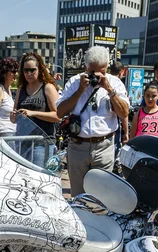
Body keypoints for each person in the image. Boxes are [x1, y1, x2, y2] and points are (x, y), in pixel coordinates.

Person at [56, 46, 129, 197]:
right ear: (85, 67)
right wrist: (79, 91)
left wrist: (110, 90)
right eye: (92, 72)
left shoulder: (115, 83)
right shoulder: (75, 82)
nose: (96, 76)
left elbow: (124, 113)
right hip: (77, 146)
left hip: (104, 146)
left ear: (107, 68)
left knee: (102, 196)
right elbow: (60, 112)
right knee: (78, 195)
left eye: (101, 72)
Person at [10, 52, 60, 168]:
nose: (29, 73)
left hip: (42, 143)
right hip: (22, 142)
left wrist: (33, 113)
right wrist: (13, 117)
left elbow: (58, 116)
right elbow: (14, 117)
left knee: (38, 178)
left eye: (32, 70)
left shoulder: (47, 88)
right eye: (25, 70)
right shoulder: (21, 89)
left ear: (40, 69)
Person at [0, 57, 19, 137]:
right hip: (3, 134)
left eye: (16, 71)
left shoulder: (7, 89)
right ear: (4, 73)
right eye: (13, 71)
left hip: (12, 133)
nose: (16, 74)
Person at [109, 60, 129, 151]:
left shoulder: (104, 80)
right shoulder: (119, 85)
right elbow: (123, 113)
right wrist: (126, 132)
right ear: (122, 71)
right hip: (114, 124)